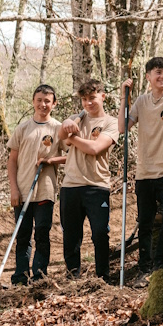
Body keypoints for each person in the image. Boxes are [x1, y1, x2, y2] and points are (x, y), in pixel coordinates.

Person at [118, 58, 163, 275]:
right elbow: (122, 127)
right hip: (144, 172)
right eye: (158, 72)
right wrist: (124, 98)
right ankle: (145, 266)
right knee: (145, 222)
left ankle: (160, 261)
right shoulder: (141, 101)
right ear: (148, 76)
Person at [58, 79, 119, 280]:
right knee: (71, 234)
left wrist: (71, 138)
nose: (88, 103)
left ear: (103, 96)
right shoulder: (76, 119)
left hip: (97, 185)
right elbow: (60, 135)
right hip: (71, 185)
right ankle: (72, 275)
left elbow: (94, 148)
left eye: (92, 98)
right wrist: (66, 125)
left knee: (100, 232)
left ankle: (103, 276)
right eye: (84, 99)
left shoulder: (111, 123)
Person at [6, 84, 65, 285]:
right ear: (33, 102)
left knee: (42, 233)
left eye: (47, 101)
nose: (43, 104)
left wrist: (50, 160)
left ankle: (40, 276)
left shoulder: (58, 128)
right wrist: (14, 189)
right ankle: (20, 277)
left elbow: (72, 155)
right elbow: (12, 160)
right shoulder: (23, 128)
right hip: (22, 191)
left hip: (45, 191)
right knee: (22, 235)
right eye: (39, 100)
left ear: (54, 104)